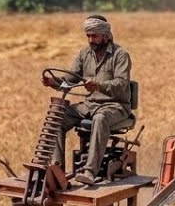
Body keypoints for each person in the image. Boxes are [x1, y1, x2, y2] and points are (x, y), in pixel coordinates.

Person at [42, 14, 133, 185]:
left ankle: (90, 171)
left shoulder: (121, 55)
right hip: (90, 104)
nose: (91, 40)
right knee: (57, 116)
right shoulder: (84, 54)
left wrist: (98, 85)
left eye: (95, 36)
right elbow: (70, 81)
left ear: (105, 35)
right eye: (88, 36)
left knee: (100, 119)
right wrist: (54, 83)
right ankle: (57, 171)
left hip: (115, 106)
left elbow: (121, 84)